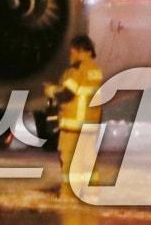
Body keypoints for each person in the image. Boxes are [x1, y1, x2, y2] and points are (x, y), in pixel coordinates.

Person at [44, 35, 103, 198]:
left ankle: (70, 193)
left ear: (83, 51)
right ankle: (92, 191)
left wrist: (51, 91)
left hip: (74, 124)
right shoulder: (95, 70)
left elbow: (66, 94)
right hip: (90, 123)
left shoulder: (77, 70)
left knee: (70, 158)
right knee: (88, 158)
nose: (72, 55)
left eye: (74, 51)